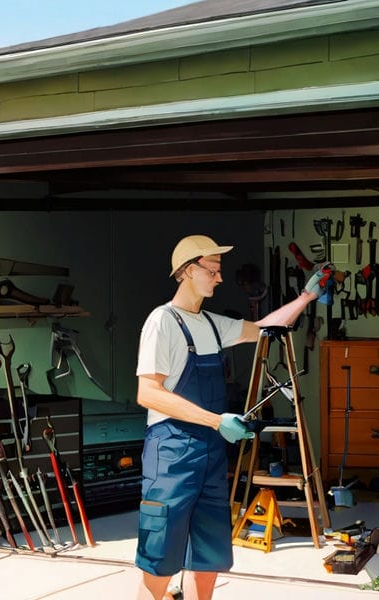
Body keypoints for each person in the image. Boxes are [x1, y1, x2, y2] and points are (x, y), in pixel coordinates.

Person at [135, 234, 328, 600]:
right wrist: (215, 420)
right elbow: (148, 393)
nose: (219, 278)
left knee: (207, 558)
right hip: (171, 453)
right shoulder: (162, 322)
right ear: (190, 271)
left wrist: (306, 297)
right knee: (158, 560)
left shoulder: (210, 323)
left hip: (208, 454)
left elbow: (267, 329)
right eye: (213, 270)